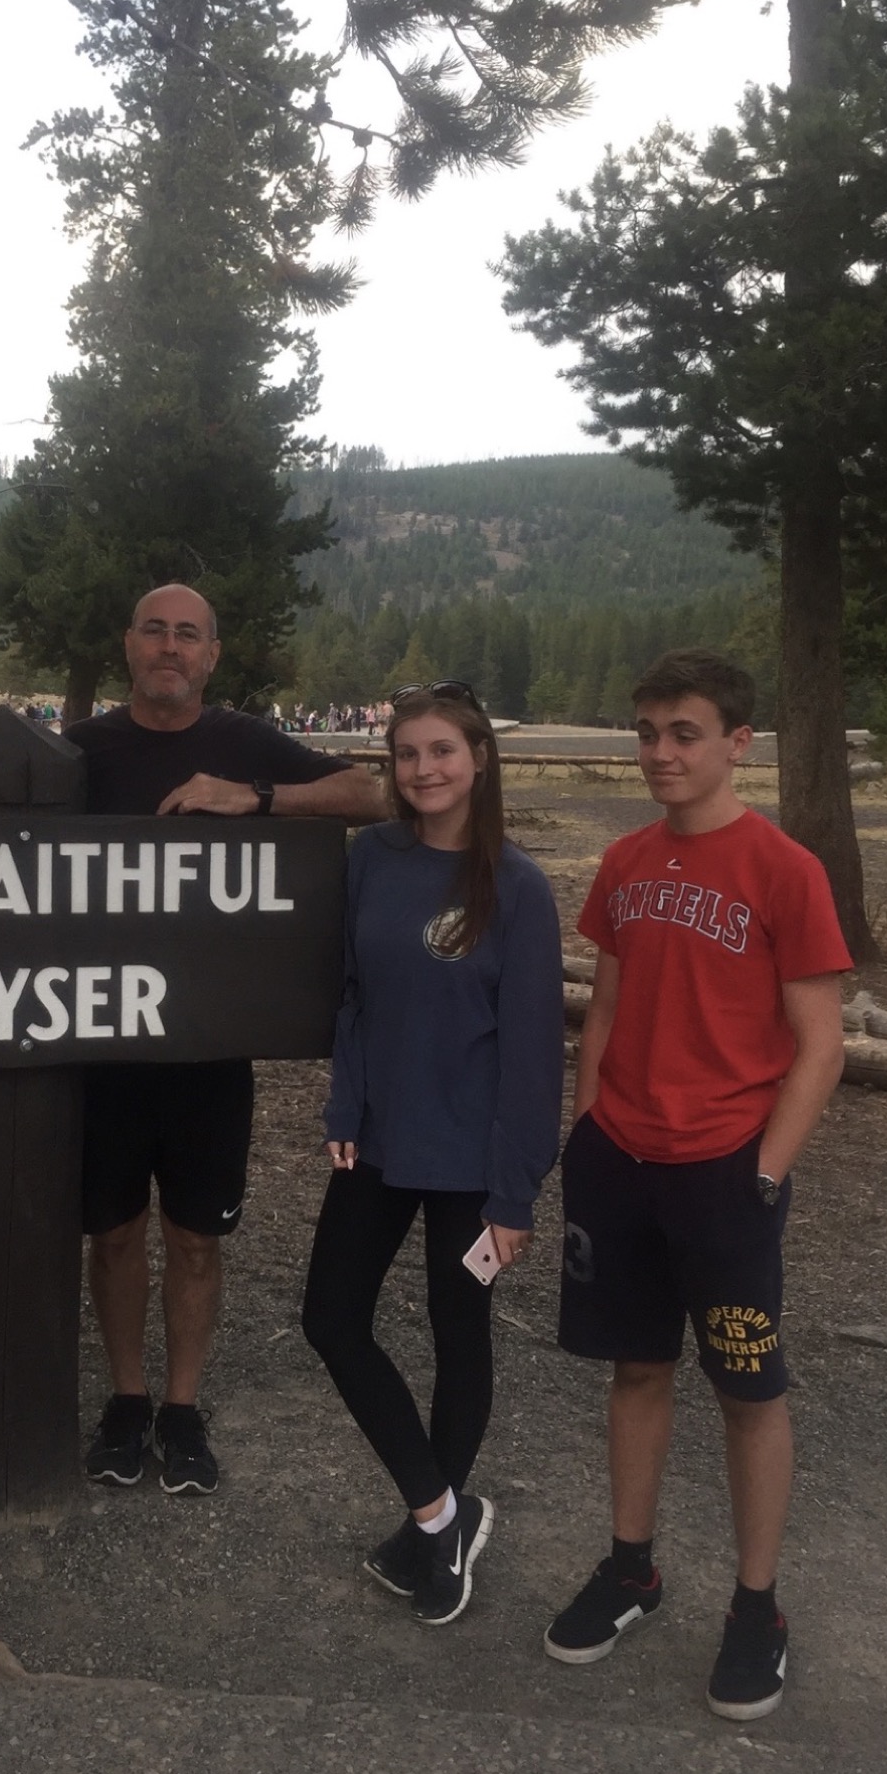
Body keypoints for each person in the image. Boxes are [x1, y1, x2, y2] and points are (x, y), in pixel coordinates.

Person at [544, 649, 848, 1722]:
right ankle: (632, 1567)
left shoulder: (783, 870)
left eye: (683, 733)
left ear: (735, 745)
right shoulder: (625, 862)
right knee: (635, 1368)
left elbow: (821, 1045)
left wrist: (762, 1174)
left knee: (747, 1390)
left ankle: (756, 1608)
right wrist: (586, 1128)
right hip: (621, 1161)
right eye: (646, 732)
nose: (660, 752)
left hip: (726, 1168)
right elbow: (610, 1007)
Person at [62, 584, 386, 1495]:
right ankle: (126, 1400)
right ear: (129, 644)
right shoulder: (77, 752)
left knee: (196, 1239)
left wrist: (255, 796)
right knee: (115, 1234)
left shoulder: (244, 743)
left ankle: (181, 1406)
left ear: (210, 655)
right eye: (154, 630)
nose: (170, 647)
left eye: (188, 635)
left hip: (211, 1046)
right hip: (103, 1044)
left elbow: (370, 792)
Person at [302, 681, 564, 1625]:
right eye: (407, 753)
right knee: (330, 1318)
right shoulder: (370, 857)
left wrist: (516, 1193)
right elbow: (353, 995)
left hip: (473, 1158)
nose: (423, 770)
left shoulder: (519, 888)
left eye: (441, 751)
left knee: (460, 1338)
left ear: (478, 759)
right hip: (377, 1139)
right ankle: (440, 1513)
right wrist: (343, 1098)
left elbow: (534, 1055)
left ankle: (433, 1534)